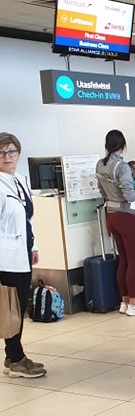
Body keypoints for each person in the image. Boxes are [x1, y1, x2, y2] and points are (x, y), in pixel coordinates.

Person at [96, 130, 135, 316]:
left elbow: (101, 190)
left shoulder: (100, 165)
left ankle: (125, 302)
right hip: (127, 216)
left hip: (111, 215)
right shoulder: (122, 167)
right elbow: (129, 195)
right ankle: (134, 304)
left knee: (123, 259)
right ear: (123, 145)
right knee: (134, 261)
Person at [0, 133, 45, 378]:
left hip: (23, 252)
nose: (7, 156)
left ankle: (13, 356)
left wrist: (33, 246)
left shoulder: (19, 180)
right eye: (1, 152)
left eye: (11, 151)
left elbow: (27, 218)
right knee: (12, 307)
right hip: (6, 258)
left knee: (20, 304)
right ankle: (16, 359)